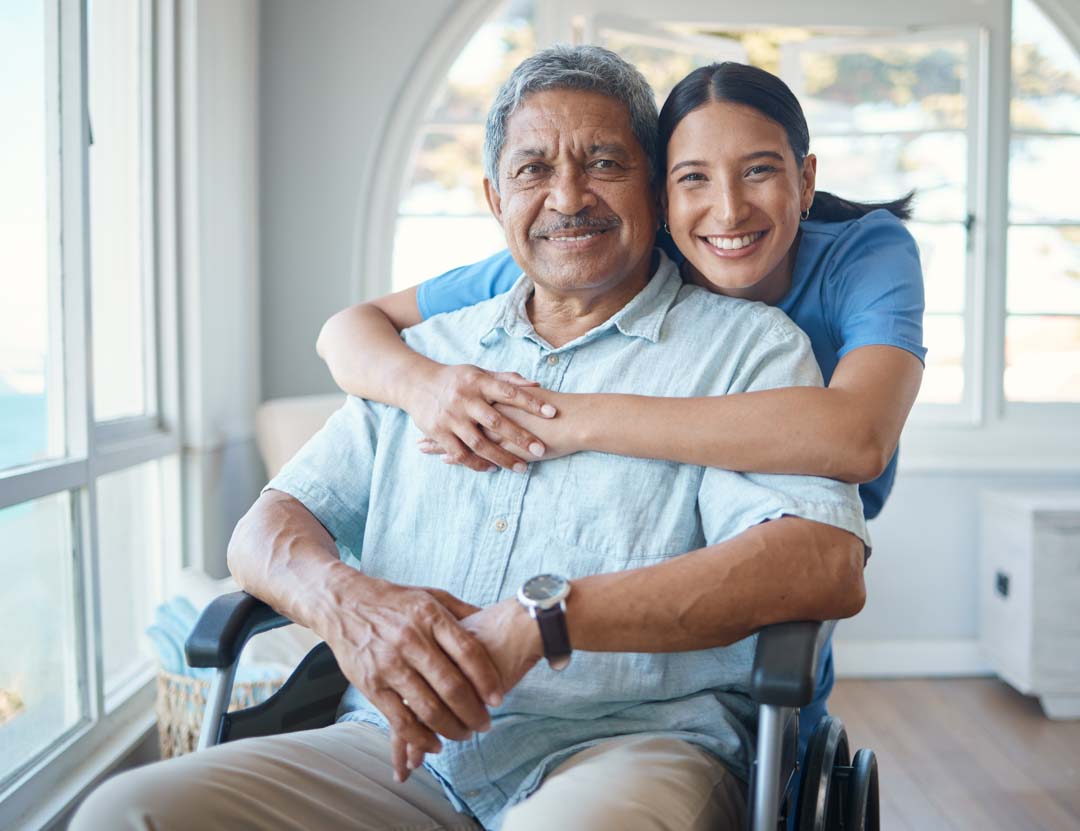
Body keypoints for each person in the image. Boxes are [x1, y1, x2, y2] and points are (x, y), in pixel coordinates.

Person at [72, 46, 869, 831]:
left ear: (655, 191)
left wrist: (547, 618)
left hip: (633, 742)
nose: (567, 198)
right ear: (495, 197)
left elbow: (820, 562)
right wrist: (345, 602)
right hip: (393, 746)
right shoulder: (427, 356)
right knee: (126, 809)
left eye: (603, 164)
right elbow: (267, 528)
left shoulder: (747, 349)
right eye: (532, 170)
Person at [315, 61, 926, 757]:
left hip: (812, 504)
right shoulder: (601, 247)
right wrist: (425, 387)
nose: (728, 211)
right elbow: (347, 329)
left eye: (759, 171)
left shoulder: (862, 254)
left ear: (804, 179)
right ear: (661, 193)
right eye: (694, 176)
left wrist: (570, 418)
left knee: (781, 728)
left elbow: (859, 437)